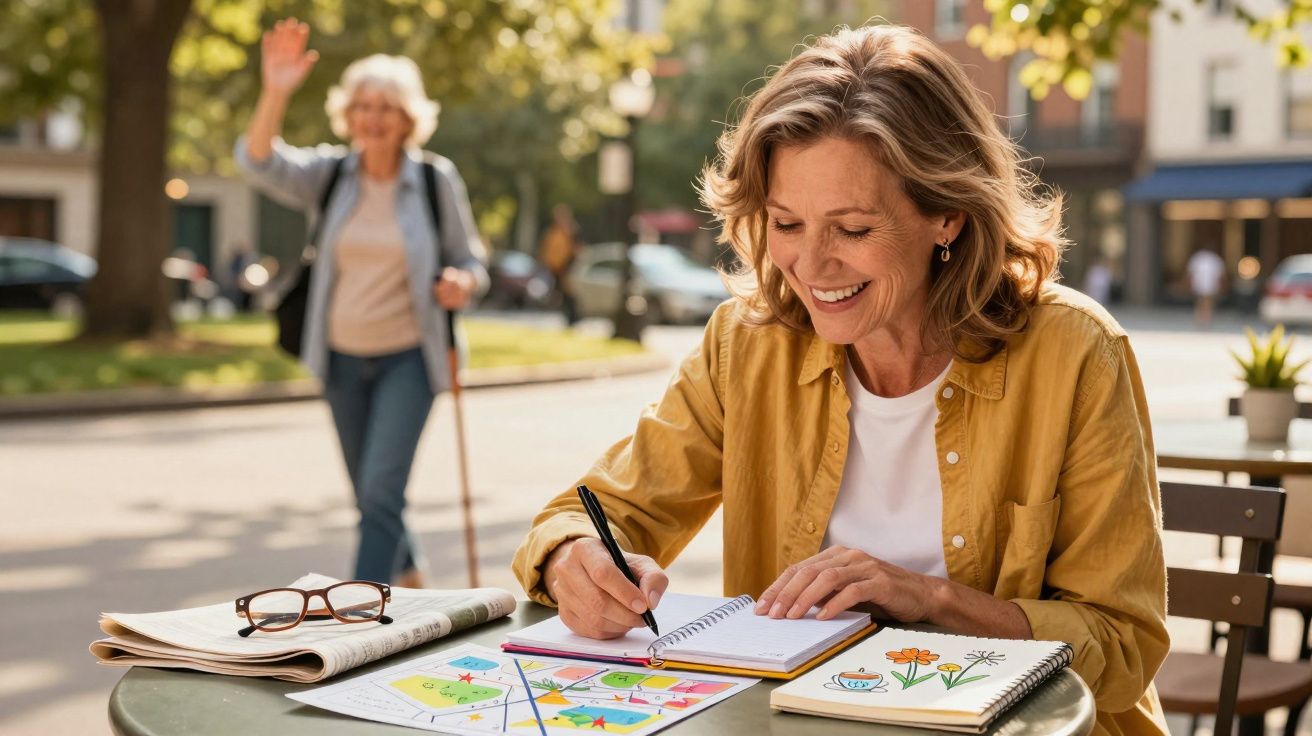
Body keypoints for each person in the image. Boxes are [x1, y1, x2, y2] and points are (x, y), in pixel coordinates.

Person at [513, 24, 1167, 736]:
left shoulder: (1075, 353)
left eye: (852, 230)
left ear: (947, 214)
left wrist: (927, 599)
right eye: (787, 223)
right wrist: (571, 560)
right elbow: (599, 512)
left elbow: (1124, 644)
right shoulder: (749, 344)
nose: (811, 266)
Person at [235, 19, 488, 587]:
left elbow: (472, 262)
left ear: (407, 119)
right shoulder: (331, 175)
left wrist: (461, 283)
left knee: (378, 491)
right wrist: (275, 90)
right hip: (340, 361)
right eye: (364, 106)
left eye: (387, 107)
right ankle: (413, 582)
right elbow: (258, 161)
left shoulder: (432, 180)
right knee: (375, 498)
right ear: (348, 114)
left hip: (409, 360)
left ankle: (358, 621)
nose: (373, 117)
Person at [537, 204, 582, 324]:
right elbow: (547, 249)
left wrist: (568, 265)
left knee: (568, 293)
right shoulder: (553, 231)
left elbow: (577, 250)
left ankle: (574, 318)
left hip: (566, 267)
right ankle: (569, 317)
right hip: (555, 268)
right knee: (562, 293)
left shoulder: (571, 231)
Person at [1187, 246, 1226, 328]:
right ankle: (1203, 318)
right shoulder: (1210, 258)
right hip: (1203, 283)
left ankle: (1204, 318)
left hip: (1207, 283)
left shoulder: (1201, 258)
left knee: (1205, 301)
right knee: (1204, 301)